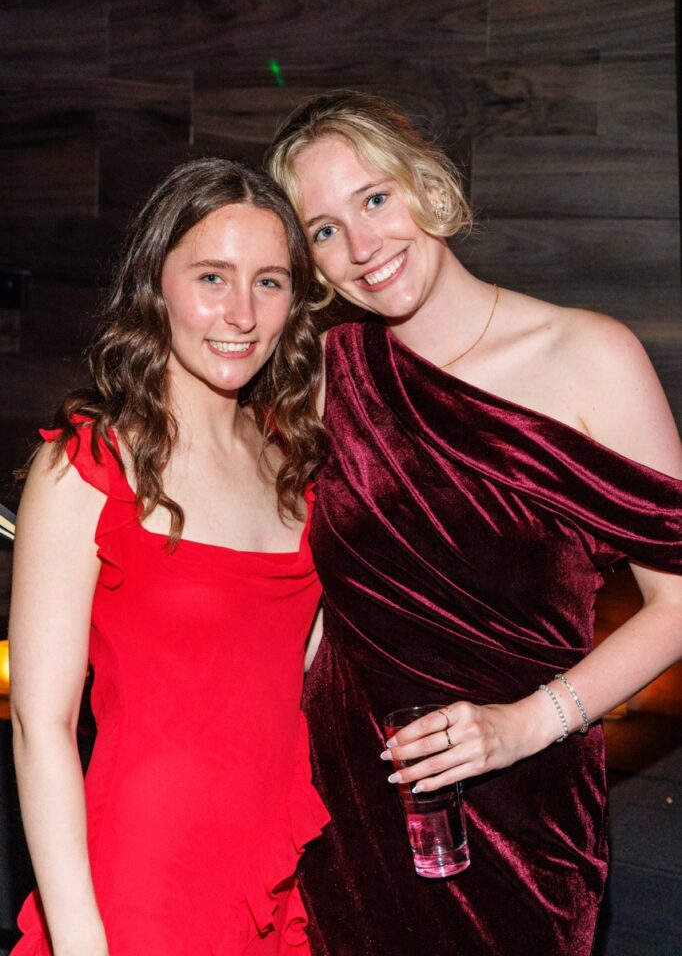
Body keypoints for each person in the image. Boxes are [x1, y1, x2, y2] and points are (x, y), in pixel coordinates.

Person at [265, 91, 682, 956]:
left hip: (525, 810)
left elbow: (678, 603)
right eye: (324, 230)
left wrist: (525, 723)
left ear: (429, 185)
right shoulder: (324, 377)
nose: (363, 246)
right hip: (344, 800)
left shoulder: (588, 355)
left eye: (375, 199)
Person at [9, 158, 329, 956]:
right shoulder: (88, 465)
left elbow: (300, 676)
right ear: (157, 285)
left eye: (270, 282)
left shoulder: (295, 461)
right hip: (139, 888)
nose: (242, 313)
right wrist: (82, 940)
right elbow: (40, 724)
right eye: (212, 277)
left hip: (280, 873)